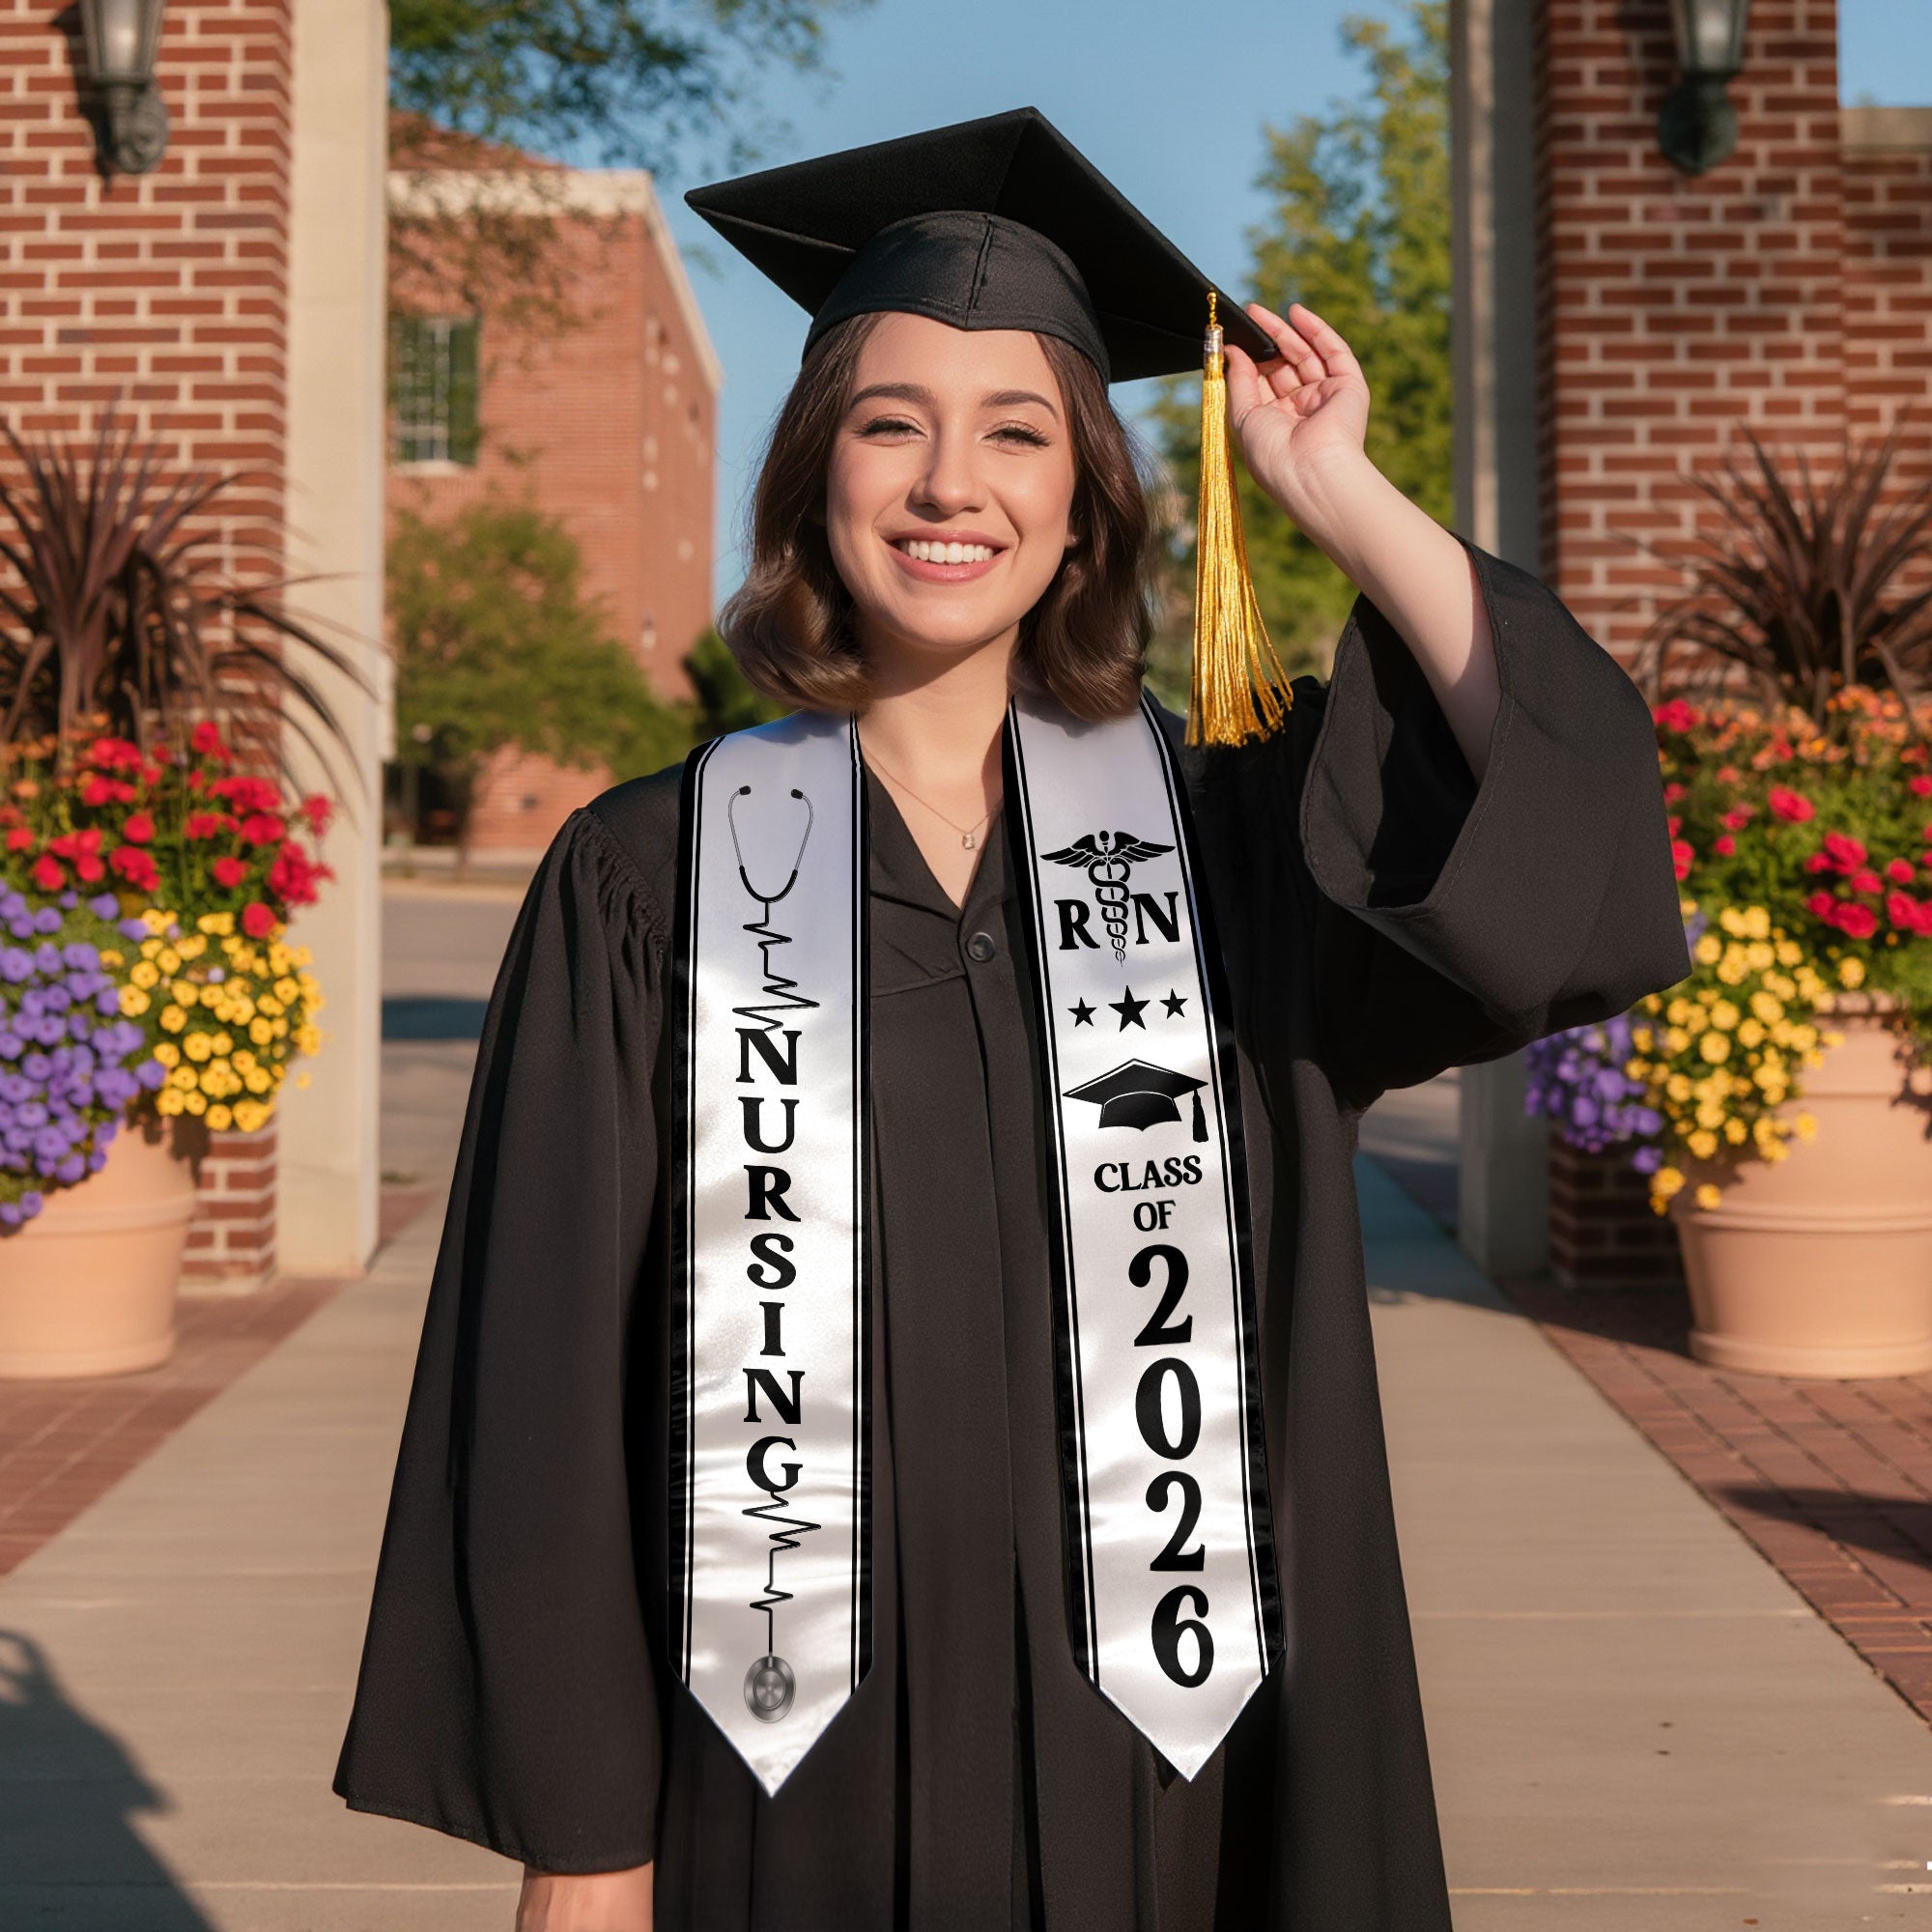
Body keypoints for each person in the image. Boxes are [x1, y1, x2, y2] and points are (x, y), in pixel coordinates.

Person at [333, 109, 1690, 1931]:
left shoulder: (1235, 852)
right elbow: (547, 1382)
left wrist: (1335, 490)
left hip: (1184, 1783)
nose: (949, 485)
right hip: (782, 1782)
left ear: (1084, 502)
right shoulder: (652, 878)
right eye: (891, 424)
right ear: (816, 472)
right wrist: (583, 1845)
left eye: (1017, 432)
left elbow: (1561, 835)